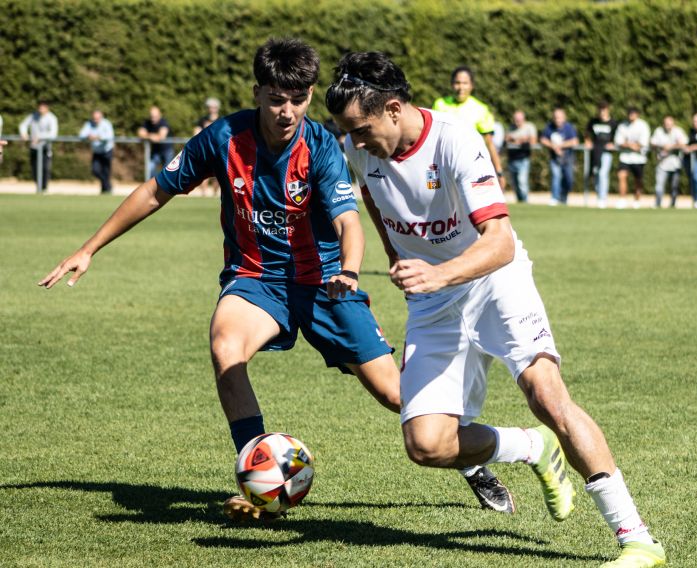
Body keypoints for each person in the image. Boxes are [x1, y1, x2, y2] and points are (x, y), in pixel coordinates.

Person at [38, 38, 510, 523]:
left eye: (299, 99)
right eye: (277, 98)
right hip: (256, 278)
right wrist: (89, 248)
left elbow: (349, 221)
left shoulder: (322, 146)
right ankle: (259, 482)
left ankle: (471, 460)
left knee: (398, 398)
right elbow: (156, 191)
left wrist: (348, 270)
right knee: (226, 348)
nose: (288, 111)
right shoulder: (224, 138)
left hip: (327, 282)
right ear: (258, 92)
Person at [327, 51, 666, 568]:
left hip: (493, 280)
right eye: (347, 131)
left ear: (394, 109)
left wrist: (439, 272)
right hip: (434, 299)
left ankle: (637, 538)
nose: (354, 141)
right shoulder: (362, 151)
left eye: (361, 128)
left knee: (546, 394)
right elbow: (376, 200)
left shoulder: (456, 139)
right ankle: (531, 447)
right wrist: (402, 260)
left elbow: (501, 242)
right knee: (427, 445)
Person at [433, 66, 505, 189]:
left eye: (465, 83)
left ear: (472, 85)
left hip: (470, 169)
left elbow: (489, 143)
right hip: (443, 168)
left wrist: (499, 172)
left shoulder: (481, 109)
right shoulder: (439, 105)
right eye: (457, 83)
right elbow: (432, 138)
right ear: (452, 85)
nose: (461, 87)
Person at [540, 108, 579, 206]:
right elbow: (543, 139)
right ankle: (555, 198)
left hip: (568, 158)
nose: (558, 120)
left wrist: (560, 146)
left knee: (568, 179)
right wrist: (553, 146)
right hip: (555, 158)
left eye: (559, 118)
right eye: (556, 118)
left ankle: (563, 197)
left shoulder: (569, 127)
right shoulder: (549, 127)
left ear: (564, 118)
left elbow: (575, 141)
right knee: (556, 176)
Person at [614, 107, 650, 209]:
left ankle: (637, 200)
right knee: (622, 176)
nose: (631, 115)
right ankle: (622, 199)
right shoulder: (622, 126)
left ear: (637, 114)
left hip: (639, 158)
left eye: (633, 113)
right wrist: (630, 145)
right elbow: (618, 141)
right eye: (630, 113)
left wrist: (628, 144)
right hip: (625, 157)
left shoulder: (643, 125)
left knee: (638, 180)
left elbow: (643, 143)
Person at [18, 100, 58, 192]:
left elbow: (53, 134)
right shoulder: (33, 116)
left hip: (45, 148)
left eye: (43, 108)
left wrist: (39, 137)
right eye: (40, 107)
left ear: (47, 108)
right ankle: (38, 187)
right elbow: (23, 125)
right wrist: (24, 133)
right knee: (34, 168)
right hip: (34, 147)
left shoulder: (52, 118)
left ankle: (44, 188)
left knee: (45, 168)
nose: (41, 109)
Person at [585, 101, 618, 208]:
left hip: (606, 153)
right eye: (600, 109)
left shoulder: (613, 123)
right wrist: (587, 140)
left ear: (608, 110)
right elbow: (587, 133)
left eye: (604, 109)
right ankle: (599, 194)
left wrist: (614, 143)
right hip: (595, 152)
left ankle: (602, 198)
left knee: (603, 173)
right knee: (596, 173)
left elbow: (618, 136)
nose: (601, 112)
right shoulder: (593, 121)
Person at [649, 116, 687, 208]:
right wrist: (662, 146)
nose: (668, 126)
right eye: (666, 124)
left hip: (675, 164)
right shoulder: (659, 131)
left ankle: (672, 205)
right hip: (662, 163)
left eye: (670, 124)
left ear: (673, 124)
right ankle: (658, 204)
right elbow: (652, 143)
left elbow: (683, 144)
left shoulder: (678, 131)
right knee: (659, 186)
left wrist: (671, 146)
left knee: (674, 186)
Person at [504, 109, 537, 203]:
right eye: (515, 120)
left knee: (522, 182)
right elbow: (506, 139)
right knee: (515, 184)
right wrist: (515, 139)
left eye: (519, 120)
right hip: (512, 159)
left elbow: (533, 141)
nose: (517, 122)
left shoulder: (529, 127)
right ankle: (520, 202)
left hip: (523, 158)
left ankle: (525, 201)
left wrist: (520, 140)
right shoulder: (511, 128)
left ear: (523, 119)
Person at [78, 110, 115, 194]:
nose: (95, 120)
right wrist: (88, 136)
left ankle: (105, 190)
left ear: (101, 117)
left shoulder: (106, 124)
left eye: (97, 118)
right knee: (95, 171)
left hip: (107, 150)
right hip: (97, 152)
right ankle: (108, 185)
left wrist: (99, 137)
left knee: (106, 172)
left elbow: (110, 136)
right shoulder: (89, 124)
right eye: (94, 118)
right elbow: (81, 135)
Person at [193, 97, 223, 197]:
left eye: (214, 107)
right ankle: (204, 194)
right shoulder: (202, 120)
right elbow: (196, 133)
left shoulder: (222, 120)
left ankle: (215, 193)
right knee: (203, 173)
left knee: (218, 174)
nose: (212, 109)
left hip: (218, 150)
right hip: (204, 150)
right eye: (210, 107)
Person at [137, 105, 174, 179]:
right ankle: (156, 184)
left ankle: (167, 189)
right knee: (149, 169)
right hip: (155, 151)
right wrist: (151, 136)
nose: (153, 118)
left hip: (167, 151)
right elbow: (140, 133)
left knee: (168, 172)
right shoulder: (147, 122)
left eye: (155, 116)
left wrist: (148, 135)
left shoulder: (163, 122)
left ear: (159, 115)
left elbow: (160, 137)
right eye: (151, 116)